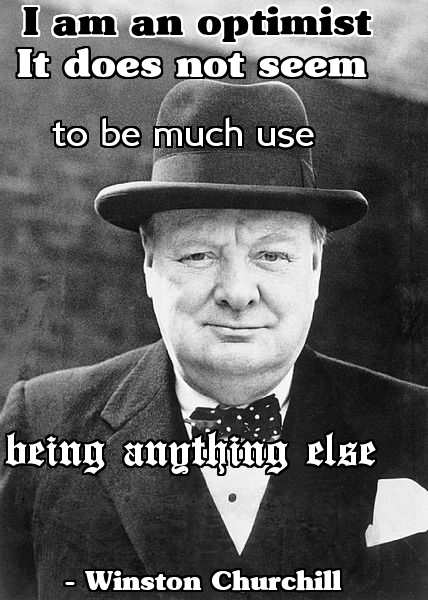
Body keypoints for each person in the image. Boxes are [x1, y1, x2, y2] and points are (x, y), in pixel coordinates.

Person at [1, 80, 427, 600]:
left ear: (315, 266)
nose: (238, 293)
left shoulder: (417, 427)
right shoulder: (43, 424)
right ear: (150, 264)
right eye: (198, 255)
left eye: (272, 255)